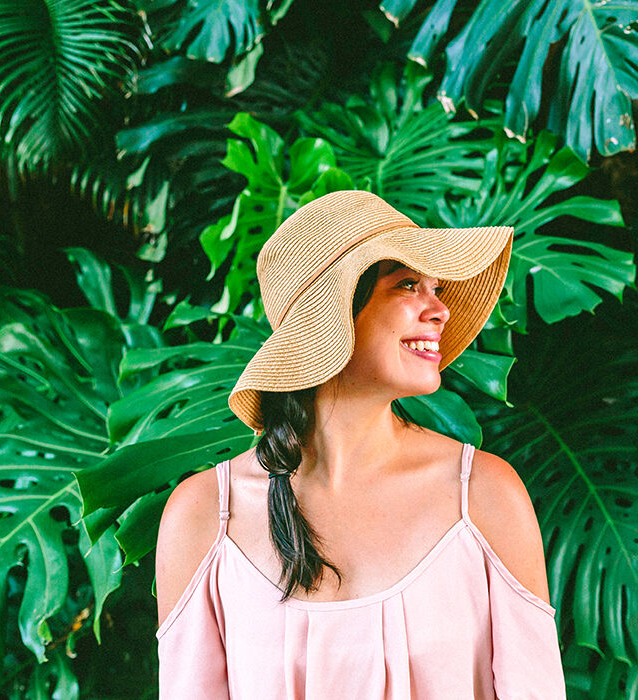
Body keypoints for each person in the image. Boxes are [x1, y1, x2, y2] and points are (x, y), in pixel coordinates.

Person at [154, 190, 566, 698]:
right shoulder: (202, 517)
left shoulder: (484, 497)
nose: (440, 310)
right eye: (408, 285)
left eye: (436, 288)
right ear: (333, 318)